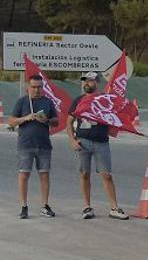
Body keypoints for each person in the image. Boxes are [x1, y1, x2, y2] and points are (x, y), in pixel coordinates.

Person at [67, 71, 127, 220]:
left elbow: (118, 112)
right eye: (84, 81)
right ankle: (87, 207)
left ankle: (114, 207)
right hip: (83, 141)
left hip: (101, 142)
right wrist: (72, 140)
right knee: (84, 174)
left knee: (106, 175)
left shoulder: (105, 99)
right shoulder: (79, 100)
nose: (86, 83)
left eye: (90, 80)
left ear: (97, 82)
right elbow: (68, 122)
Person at [10, 74, 58, 219]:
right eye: (34, 87)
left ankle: (45, 205)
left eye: (39, 87)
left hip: (44, 145)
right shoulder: (22, 102)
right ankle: (24, 206)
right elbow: (11, 121)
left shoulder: (48, 102)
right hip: (25, 144)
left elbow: (56, 121)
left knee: (44, 175)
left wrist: (47, 120)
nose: (37, 90)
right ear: (28, 87)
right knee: (24, 175)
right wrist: (25, 118)